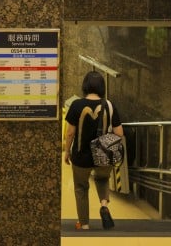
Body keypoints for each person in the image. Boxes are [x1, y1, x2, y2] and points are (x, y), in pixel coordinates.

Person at [63, 71, 123, 230]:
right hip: (103, 156)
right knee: (102, 179)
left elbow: (70, 133)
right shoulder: (109, 105)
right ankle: (104, 205)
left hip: (81, 156)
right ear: (102, 87)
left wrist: (67, 151)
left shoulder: (76, 105)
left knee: (81, 188)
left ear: (85, 86)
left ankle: (84, 224)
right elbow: (119, 133)